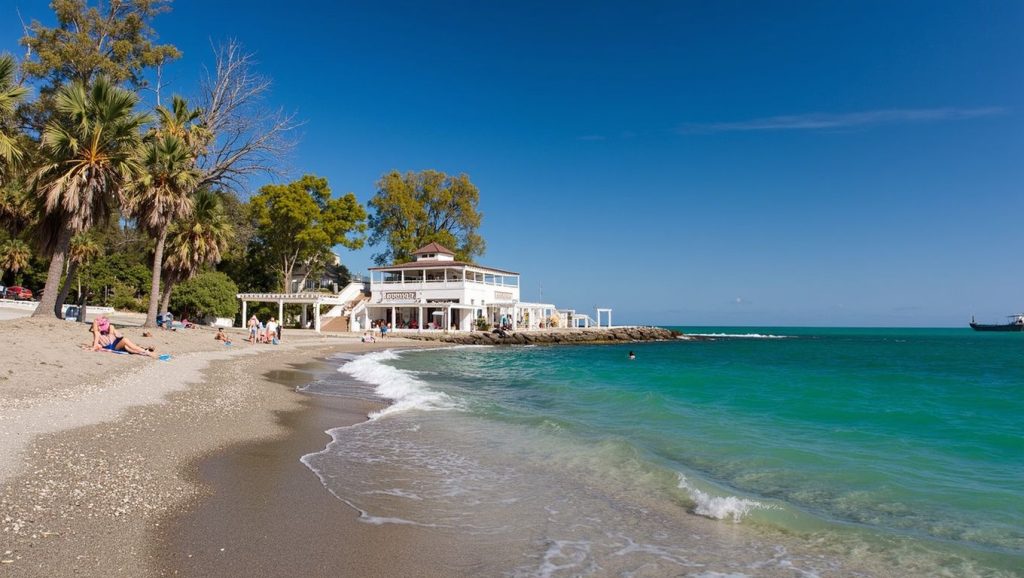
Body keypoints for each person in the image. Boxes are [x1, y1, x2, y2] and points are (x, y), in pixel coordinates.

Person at [89, 316, 157, 358]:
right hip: (112, 346)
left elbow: (116, 335)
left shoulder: (108, 330)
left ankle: (146, 350)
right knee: (126, 341)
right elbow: (95, 345)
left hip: (115, 343)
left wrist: (109, 328)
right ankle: (147, 352)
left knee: (129, 348)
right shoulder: (97, 333)